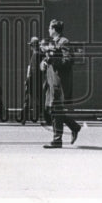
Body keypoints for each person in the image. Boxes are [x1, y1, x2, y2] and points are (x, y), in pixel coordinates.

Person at [41, 19, 82, 148]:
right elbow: (48, 59)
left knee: (56, 109)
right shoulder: (52, 43)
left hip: (59, 82)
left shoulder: (64, 42)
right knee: (51, 109)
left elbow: (68, 60)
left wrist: (53, 59)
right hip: (51, 81)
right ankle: (74, 127)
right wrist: (43, 63)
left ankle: (57, 140)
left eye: (49, 28)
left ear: (54, 29)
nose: (48, 30)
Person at [19, 37, 44, 124]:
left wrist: (28, 80)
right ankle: (36, 117)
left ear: (33, 46)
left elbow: (33, 70)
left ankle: (23, 118)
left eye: (31, 45)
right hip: (39, 80)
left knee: (27, 99)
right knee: (38, 100)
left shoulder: (35, 55)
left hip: (33, 81)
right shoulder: (41, 54)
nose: (30, 47)